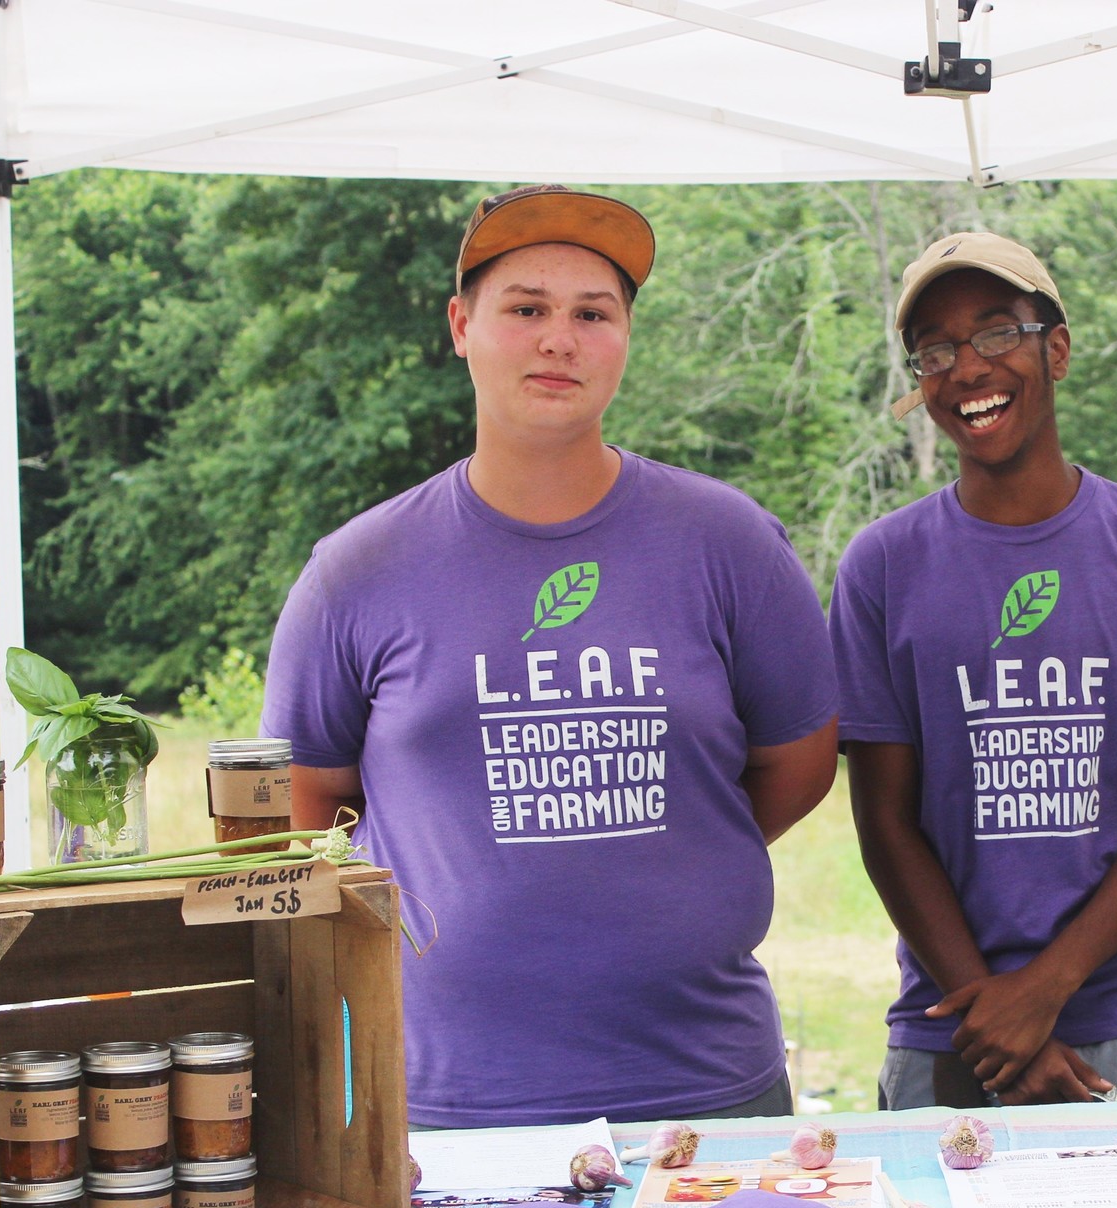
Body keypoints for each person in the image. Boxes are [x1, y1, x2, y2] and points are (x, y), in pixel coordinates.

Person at [264, 187, 838, 1128]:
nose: (558, 339)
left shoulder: (728, 543)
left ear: (624, 338)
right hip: (443, 1105)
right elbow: (300, 811)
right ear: (461, 326)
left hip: (705, 1088)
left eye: (592, 313)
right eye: (525, 308)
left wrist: (668, 862)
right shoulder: (356, 572)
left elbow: (801, 761)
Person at [829, 232, 1117, 1109]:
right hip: (952, 1021)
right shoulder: (880, 566)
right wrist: (1000, 1024)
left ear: (1054, 348)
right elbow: (885, 821)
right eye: (936, 351)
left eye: (996, 334)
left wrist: (1048, 986)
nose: (967, 370)